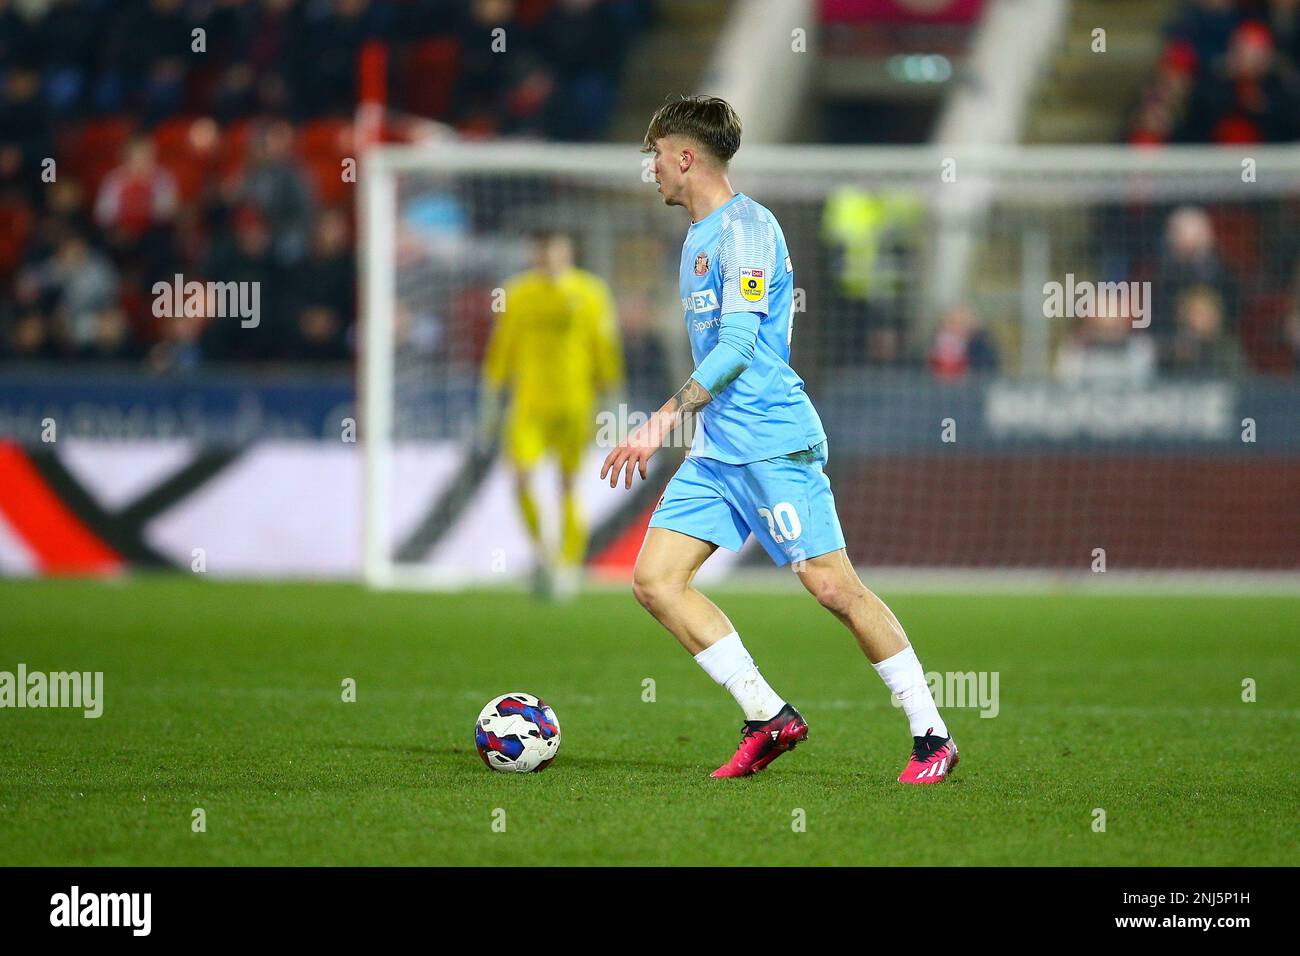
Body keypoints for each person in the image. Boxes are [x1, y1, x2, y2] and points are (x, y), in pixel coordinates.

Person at [600, 96, 955, 783]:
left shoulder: (748, 230)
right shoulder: (697, 237)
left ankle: (931, 733)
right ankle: (768, 716)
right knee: (655, 582)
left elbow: (737, 343)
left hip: (770, 438)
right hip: (719, 449)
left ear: (684, 156)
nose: (652, 172)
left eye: (655, 157)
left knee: (830, 586)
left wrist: (664, 417)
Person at [480, 229, 624, 598]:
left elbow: (604, 349)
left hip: (576, 406)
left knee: (569, 485)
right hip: (529, 406)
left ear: (568, 253)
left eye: (554, 253)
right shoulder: (518, 294)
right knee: (521, 479)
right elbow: (502, 349)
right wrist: (491, 400)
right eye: (541, 253)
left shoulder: (591, 293)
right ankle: (544, 555)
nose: (547, 260)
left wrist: (612, 400)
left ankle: (567, 567)